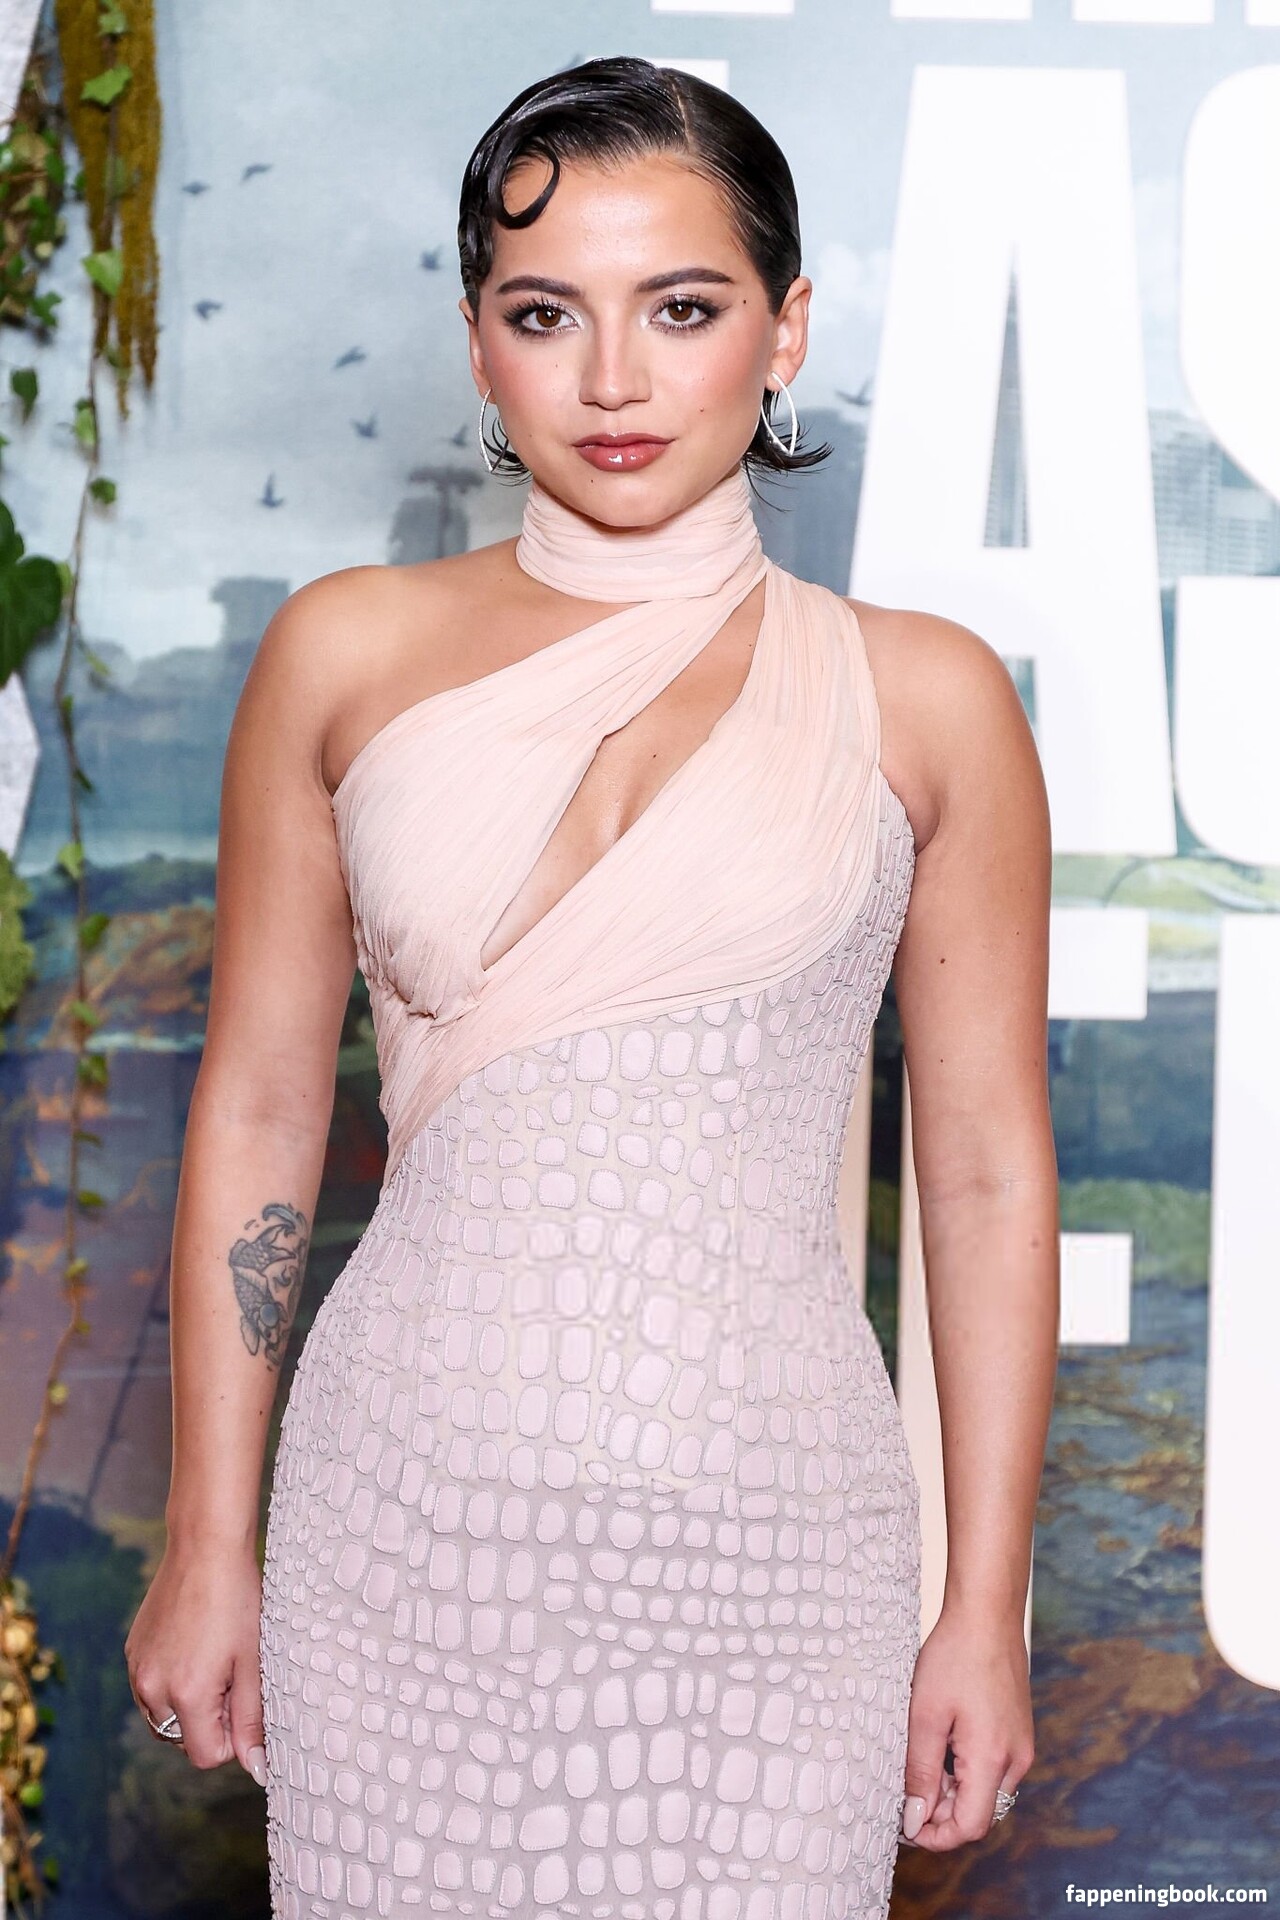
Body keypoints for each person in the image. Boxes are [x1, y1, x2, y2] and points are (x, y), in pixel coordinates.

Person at [125, 54, 1059, 1920]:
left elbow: (979, 1173)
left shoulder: (929, 697)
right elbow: (259, 1105)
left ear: (789, 328)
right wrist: (208, 1534)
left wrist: (984, 1608)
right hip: (402, 1536)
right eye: (546, 314)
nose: (614, 379)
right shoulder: (343, 653)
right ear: (479, 344)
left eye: (683, 309)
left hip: (784, 1557)